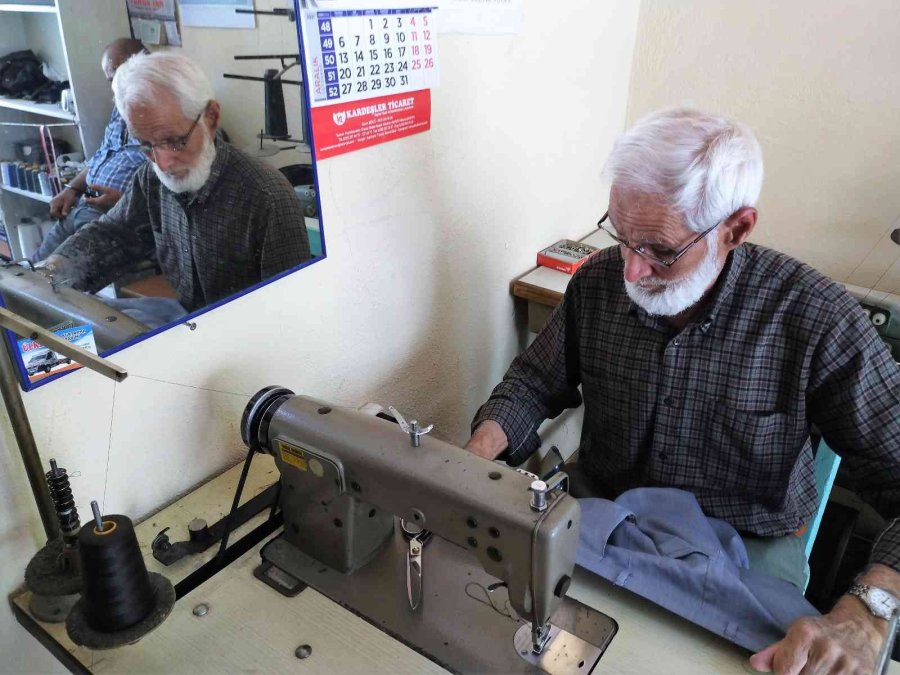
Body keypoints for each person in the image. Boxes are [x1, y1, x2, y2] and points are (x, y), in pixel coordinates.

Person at [465, 108, 900, 673]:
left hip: (744, 542)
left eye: (660, 251)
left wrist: (870, 607)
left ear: (736, 229)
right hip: (601, 511)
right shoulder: (598, 282)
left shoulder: (816, 320)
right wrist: (476, 460)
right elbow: (533, 382)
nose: (631, 272)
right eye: (621, 237)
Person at [38, 51, 311, 313]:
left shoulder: (266, 196)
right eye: (145, 145)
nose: (163, 163)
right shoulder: (151, 180)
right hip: (189, 320)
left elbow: (291, 311)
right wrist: (55, 270)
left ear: (211, 118)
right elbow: (114, 234)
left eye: (175, 141)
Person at [33, 38, 148, 261]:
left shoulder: (164, 117)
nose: (115, 88)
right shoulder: (120, 109)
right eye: (111, 81)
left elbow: (169, 192)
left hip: (112, 219)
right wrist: (72, 188)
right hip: (80, 206)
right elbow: (102, 157)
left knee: (55, 279)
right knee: (29, 274)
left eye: (120, 77)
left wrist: (126, 202)